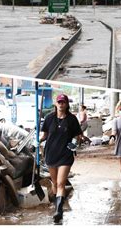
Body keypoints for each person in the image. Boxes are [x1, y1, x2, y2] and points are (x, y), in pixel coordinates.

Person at [40, 94, 83, 223]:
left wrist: (74, 142)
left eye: (63, 102)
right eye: (59, 102)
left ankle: (58, 211)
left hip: (65, 155)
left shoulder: (72, 119)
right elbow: (45, 135)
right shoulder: (49, 118)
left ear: (67, 104)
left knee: (60, 183)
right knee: (54, 183)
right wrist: (37, 141)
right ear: (56, 103)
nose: (61, 104)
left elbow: (78, 135)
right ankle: (57, 205)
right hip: (51, 154)